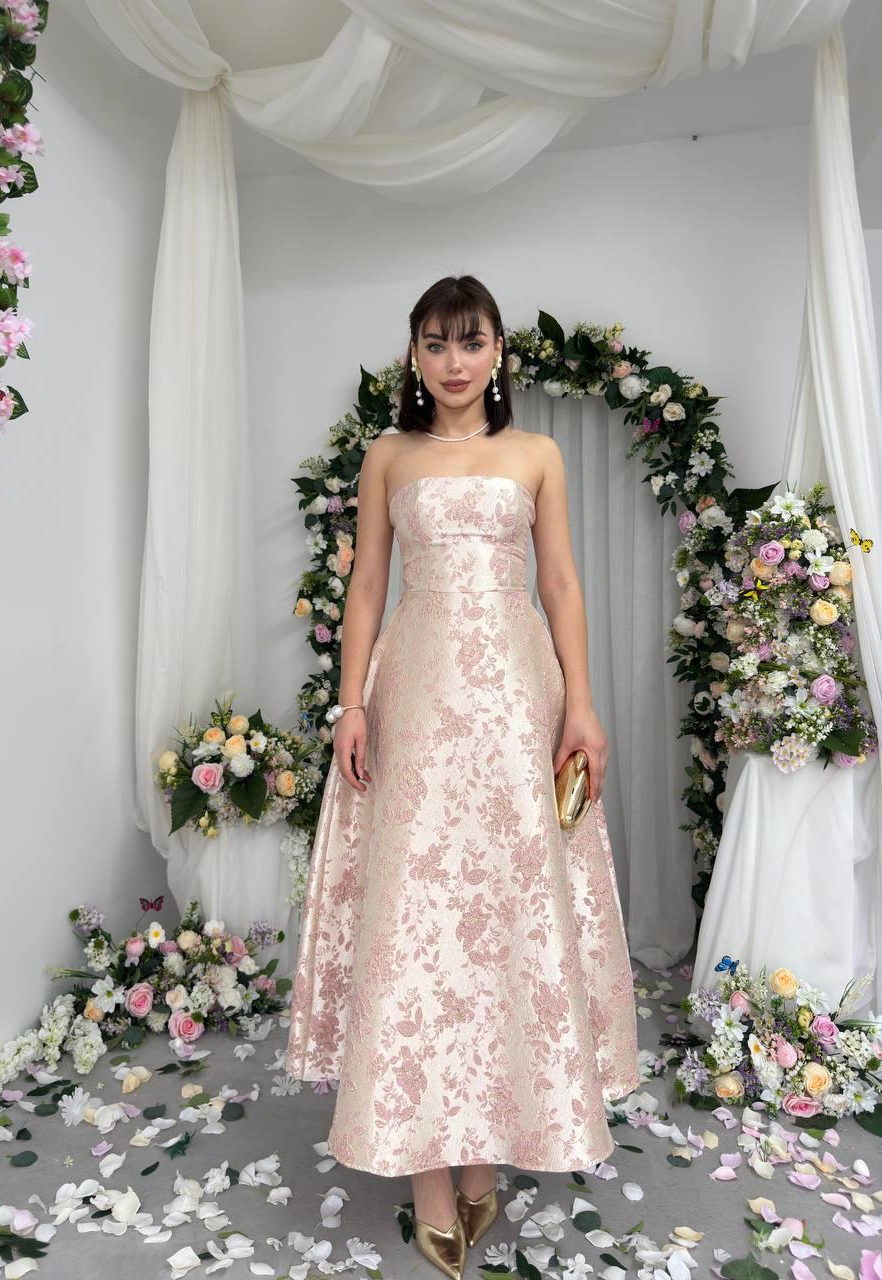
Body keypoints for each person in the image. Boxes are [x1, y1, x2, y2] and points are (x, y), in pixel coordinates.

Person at [285, 274, 639, 1279]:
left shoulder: (536, 454)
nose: (453, 361)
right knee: (421, 917)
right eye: (436, 343)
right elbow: (367, 583)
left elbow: (559, 581)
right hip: (419, 695)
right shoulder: (388, 455)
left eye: (470, 341)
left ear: (497, 353)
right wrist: (351, 704)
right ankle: (429, 1173)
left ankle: (485, 1147)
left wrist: (579, 703)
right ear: (413, 355)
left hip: (516, 699)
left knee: (502, 911)